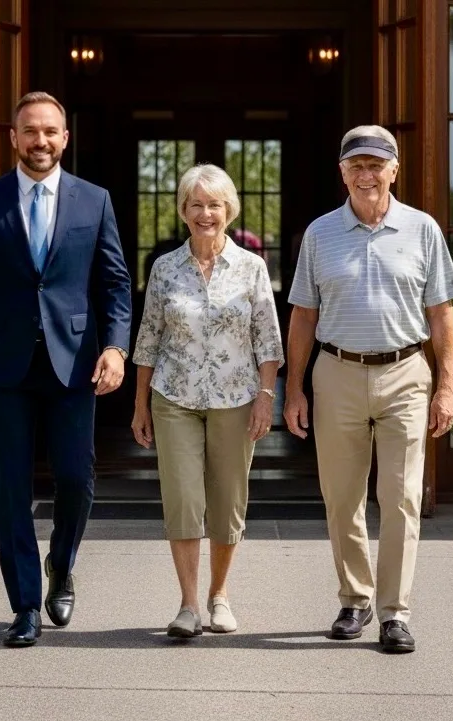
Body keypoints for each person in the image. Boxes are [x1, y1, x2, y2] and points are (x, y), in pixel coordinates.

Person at [0, 92, 132, 647]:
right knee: (10, 486)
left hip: (74, 365)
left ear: (65, 138)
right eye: (30, 131)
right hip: (3, 367)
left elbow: (114, 282)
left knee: (76, 478)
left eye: (50, 131)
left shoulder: (94, 201)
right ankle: (24, 605)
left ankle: (63, 564)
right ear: (14, 138)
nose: (40, 141)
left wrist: (116, 347)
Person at [284, 125, 453, 653]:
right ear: (342, 173)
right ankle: (355, 598)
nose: (366, 174)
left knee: (402, 497)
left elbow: (442, 314)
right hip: (336, 372)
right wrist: (294, 389)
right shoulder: (319, 234)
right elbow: (302, 317)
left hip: (406, 372)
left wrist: (445, 385)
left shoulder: (423, 229)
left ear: (394, 169)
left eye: (376, 164)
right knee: (342, 497)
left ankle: (394, 612)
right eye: (356, 165)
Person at [131, 164, 284, 638]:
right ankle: (189, 605)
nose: (205, 214)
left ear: (228, 210)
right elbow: (148, 339)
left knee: (227, 500)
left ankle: (220, 595)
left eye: (214, 205)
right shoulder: (164, 268)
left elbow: (268, 341)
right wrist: (140, 405)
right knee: (182, 498)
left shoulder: (252, 268)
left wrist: (265, 398)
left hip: (237, 398)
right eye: (195, 204)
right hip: (173, 396)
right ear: (183, 211)